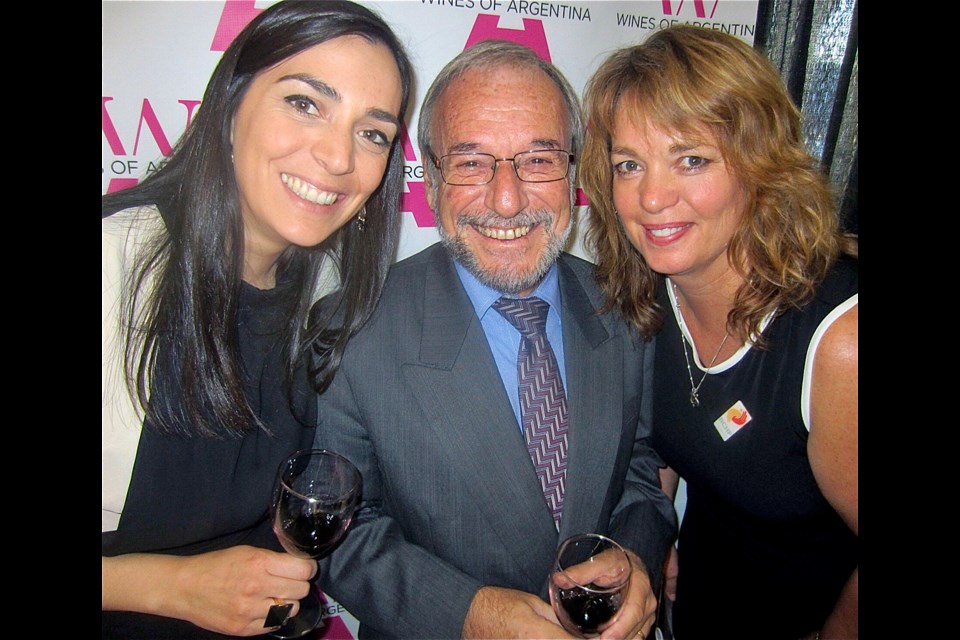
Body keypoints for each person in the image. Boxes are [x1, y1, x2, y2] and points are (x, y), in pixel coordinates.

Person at [314, 39, 677, 640]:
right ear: (430, 179)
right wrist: (465, 613)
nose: (507, 201)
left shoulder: (623, 304)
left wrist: (635, 557)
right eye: (471, 163)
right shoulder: (354, 330)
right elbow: (340, 533)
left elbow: (638, 468)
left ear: (572, 171)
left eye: (537, 160)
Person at [101, 2, 411, 637]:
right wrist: (176, 587)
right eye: (305, 103)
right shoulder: (114, 260)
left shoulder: (325, 295)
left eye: (372, 132)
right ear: (231, 103)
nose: (337, 156)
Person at [580, 25, 858, 640]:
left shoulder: (840, 341)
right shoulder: (651, 291)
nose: (651, 196)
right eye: (629, 164)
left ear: (759, 164)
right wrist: (647, 547)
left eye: (692, 159)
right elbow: (671, 446)